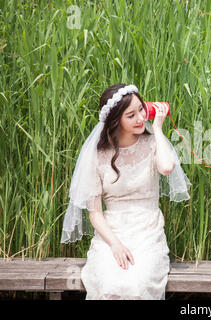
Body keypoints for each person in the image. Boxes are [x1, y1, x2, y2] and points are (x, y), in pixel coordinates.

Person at [60, 84, 191, 300]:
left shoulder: (152, 142)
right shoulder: (99, 154)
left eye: (142, 109)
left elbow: (167, 167)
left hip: (148, 232)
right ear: (115, 120)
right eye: (131, 115)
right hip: (111, 234)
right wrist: (115, 244)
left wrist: (157, 128)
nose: (140, 118)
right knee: (108, 284)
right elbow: (95, 213)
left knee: (137, 285)